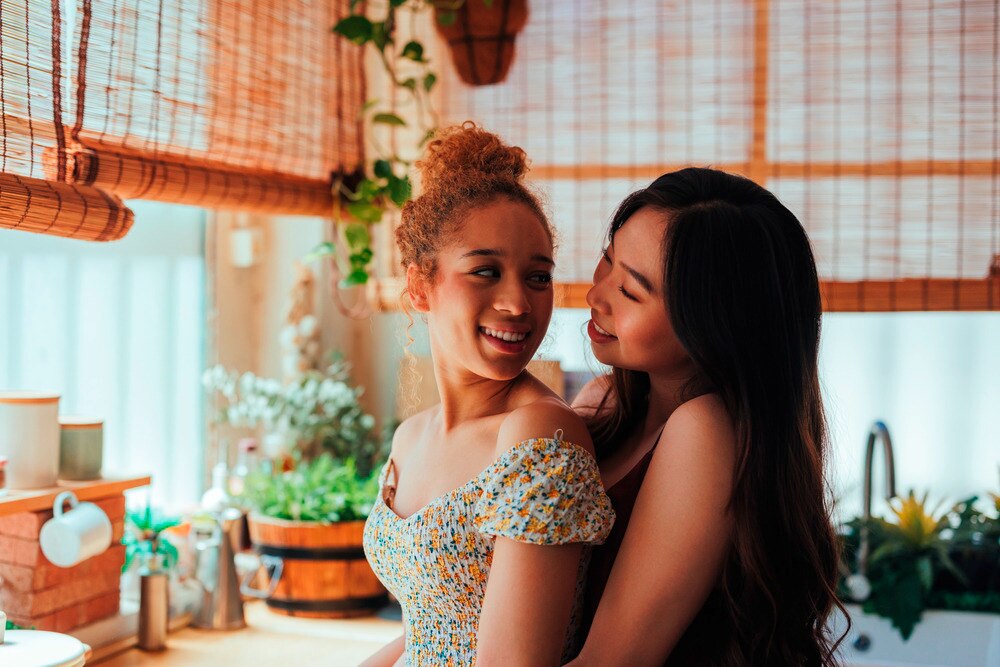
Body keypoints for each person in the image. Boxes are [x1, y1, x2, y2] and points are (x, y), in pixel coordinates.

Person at [361, 123, 615, 667]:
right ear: (419, 285)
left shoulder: (539, 437)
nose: (518, 303)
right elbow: (426, 627)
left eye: (538, 278)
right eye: (485, 271)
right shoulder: (411, 437)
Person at [568, 168, 844, 666]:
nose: (596, 296)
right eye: (606, 261)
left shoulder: (706, 432)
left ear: (712, 325)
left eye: (630, 292)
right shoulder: (602, 402)